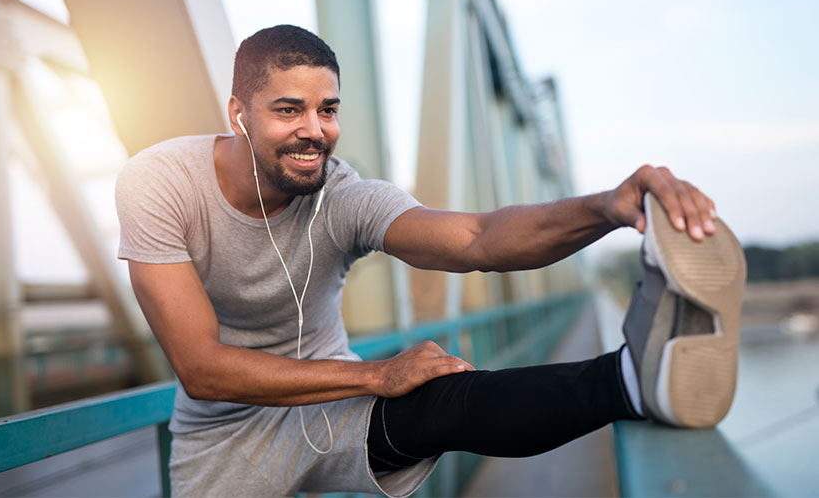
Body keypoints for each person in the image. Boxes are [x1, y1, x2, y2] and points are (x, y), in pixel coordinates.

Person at [115, 25, 745, 497]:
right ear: (238, 114)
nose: (315, 130)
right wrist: (374, 375)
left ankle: (636, 382)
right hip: (225, 436)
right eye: (288, 110)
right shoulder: (161, 184)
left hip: (329, 407)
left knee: (447, 402)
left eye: (327, 109)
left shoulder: (342, 197)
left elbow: (476, 238)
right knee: (405, 381)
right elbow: (202, 369)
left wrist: (610, 206)